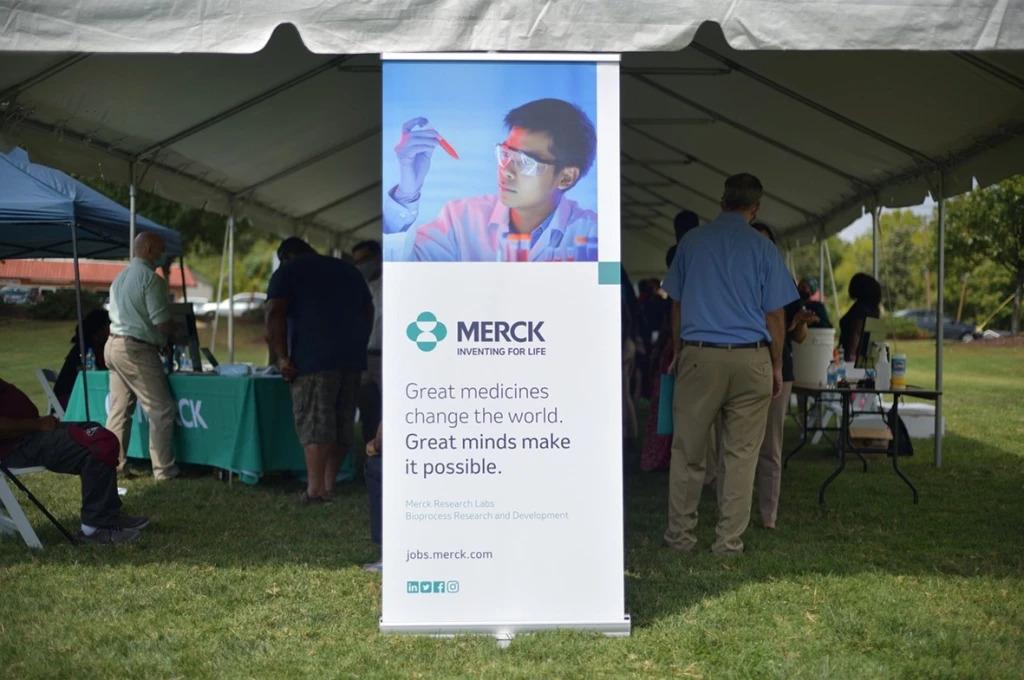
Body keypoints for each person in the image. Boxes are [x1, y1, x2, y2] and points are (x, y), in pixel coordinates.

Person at [662, 173, 798, 555]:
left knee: (688, 451)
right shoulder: (763, 248)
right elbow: (775, 315)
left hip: (700, 355)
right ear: (755, 209)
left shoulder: (692, 242)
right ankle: (728, 541)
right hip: (751, 356)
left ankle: (681, 537)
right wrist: (775, 364)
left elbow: (677, 304)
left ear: (721, 201)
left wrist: (678, 350)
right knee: (740, 456)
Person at [383, 98, 598, 262]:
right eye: (505, 154)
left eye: (525, 161)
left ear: (566, 177)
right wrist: (407, 193)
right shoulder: (460, 219)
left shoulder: (591, 232)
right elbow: (405, 274)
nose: (506, 170)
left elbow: (604, 295)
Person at [265, 237, 373, 503]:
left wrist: (281, 358)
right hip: (351, 358)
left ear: (286, 256)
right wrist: (359, 342)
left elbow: (274, 313)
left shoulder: (288, 271)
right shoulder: (348, 270)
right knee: (341, 423)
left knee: (315, 423)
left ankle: (314, 491)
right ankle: (328, 485)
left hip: (312, 360)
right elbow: (368, 309)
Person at [0, 378, 148, 544]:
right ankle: (94, 528)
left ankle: (108, 514)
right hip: (15, 446)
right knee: (96, 443)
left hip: (27, 434)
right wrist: (36, 424)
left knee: (94, 430)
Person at [751, 223, 818, 529]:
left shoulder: (783, 280)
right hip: (747, 362)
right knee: (737, 442)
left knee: (771, 444)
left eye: (765, 242)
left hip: (780, 366)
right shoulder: (739, 276)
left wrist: (799, 322)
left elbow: (799, 334)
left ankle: (768, 514)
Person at [105, 232, 179, 480]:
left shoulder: (119, 277)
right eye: (160, 248)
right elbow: (161, 324)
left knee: (118, 411)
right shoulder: (151, 279)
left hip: (113, 345)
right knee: (162, 409)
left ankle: (111, 466)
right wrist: (173, 332)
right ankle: (164, 470)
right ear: (147, 248)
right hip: (135, 349)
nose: (163, 253)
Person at [352, 239, 383, 449]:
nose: (360, 265)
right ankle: (371, 457)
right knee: (367, 409)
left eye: (364, 260)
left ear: (377, 258)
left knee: (389, 409)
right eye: (356, 262)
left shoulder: (396, 283)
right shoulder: (358, 288)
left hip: (389, 357)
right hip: (365, 357)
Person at [54, 308, 110, 410]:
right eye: (108, 325)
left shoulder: (92, 346)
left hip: (78, 396)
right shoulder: (85, 349)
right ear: (100, 329)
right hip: (70, 399)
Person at [839, 272, 882, 363]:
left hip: (853, 359)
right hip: (869, 360)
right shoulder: (875, 310)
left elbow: (856, 333)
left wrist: (851, 356)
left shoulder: (860, 309)